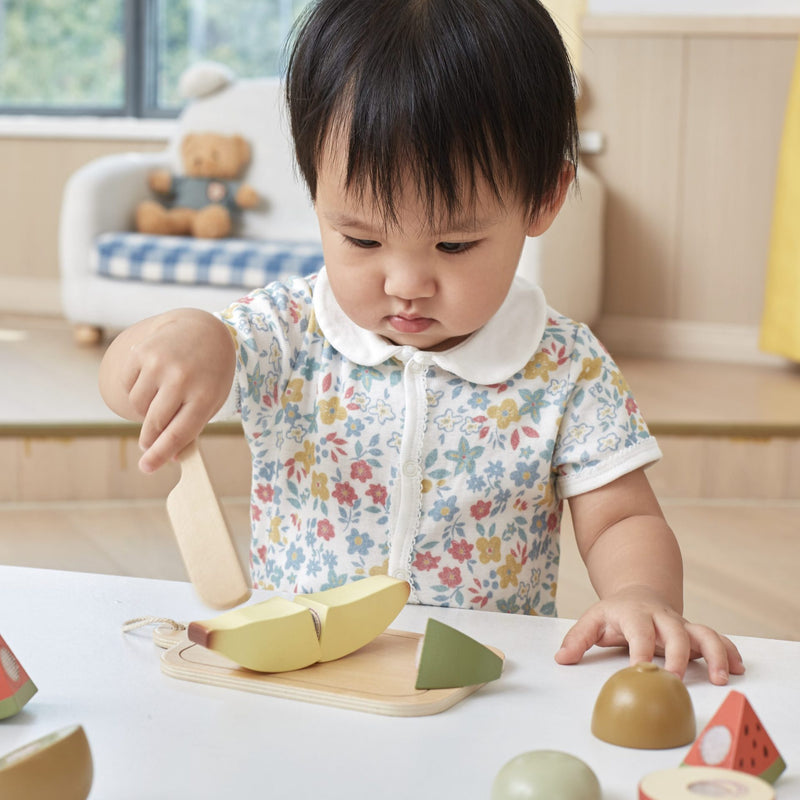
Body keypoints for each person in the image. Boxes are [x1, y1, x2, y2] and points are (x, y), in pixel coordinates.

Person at [99, 0, 743, 685]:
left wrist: (639, 596)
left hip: (476, 681)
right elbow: (121, 383)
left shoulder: (565, 366)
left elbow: (620, 519)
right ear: (314, 187)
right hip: (297, 676)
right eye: (361, 239)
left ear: (543, 198)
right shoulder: (284, 332)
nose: (406, 283)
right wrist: (182, 340)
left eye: (454, 243)